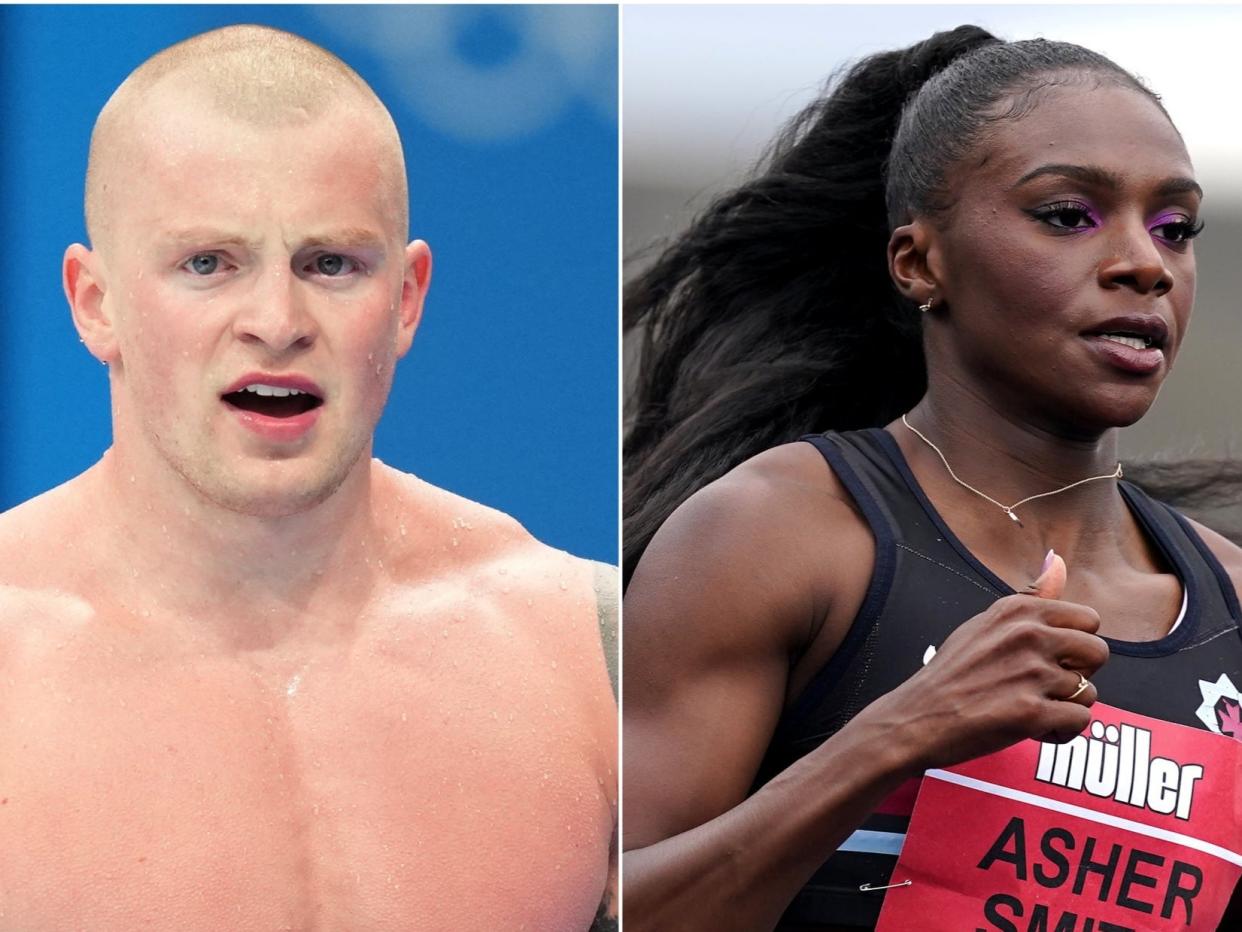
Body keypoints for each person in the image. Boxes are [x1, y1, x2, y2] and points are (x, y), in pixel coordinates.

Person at [622, 25, 1242, 931]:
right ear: (920, 262)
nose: (1144, 264)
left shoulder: (1226, 604)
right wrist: (899, 735)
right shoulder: (782, 535)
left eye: (1174, 227)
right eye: (1068, 216)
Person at [0, 25, 616, 931]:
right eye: (208, 264)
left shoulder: (586, 651)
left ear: (406, 299)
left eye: (330, 264)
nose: (277, 320)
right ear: (96, 304)